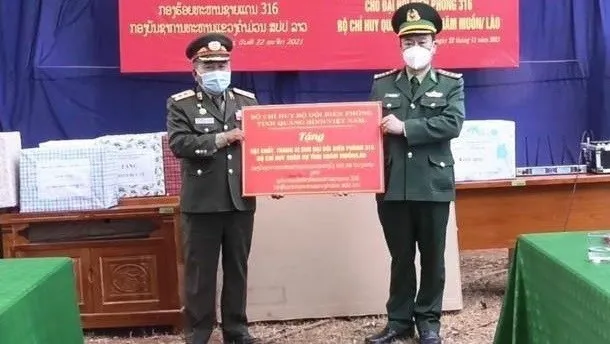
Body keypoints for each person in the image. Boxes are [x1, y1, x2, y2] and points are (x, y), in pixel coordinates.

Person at [365, 3, 465, 344]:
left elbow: (452, 124)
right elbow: (365, 135)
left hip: (432, 184)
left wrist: (405, 127)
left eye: (421, 40)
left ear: (435, 44)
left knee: (433, 259)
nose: (415, 48)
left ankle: (429, 322)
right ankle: (398, 321)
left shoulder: (451, 84)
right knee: (401, 258)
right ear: (400, 46)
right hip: (392, 185)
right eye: (408, 42)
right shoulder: (382, 85)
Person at [166, 32, 274, 344]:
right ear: (195, 71)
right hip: (201, 203)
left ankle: (236, 329)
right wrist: (220, 139)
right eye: (209, 65)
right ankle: (198, 332)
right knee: (201, 274)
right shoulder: (181, 104)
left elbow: (262, 150)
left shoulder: (247, 101)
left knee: (237, 269)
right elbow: (179, 143)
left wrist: (273, 178)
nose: (217, 71)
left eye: (222, 64)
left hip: (240, 200)